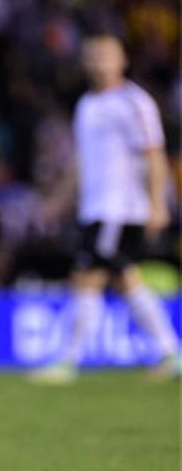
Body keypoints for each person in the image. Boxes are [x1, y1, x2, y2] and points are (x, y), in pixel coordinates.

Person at [30, 34, 179, 384]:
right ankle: (172, 352)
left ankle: (66, 361)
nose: (98, 62)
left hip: (120, 208)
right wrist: (57, 202)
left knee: (86, 277)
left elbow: (154, 153)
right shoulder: (87, 105)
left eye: (106, 56)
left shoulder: (134, 102)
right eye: (92, 56)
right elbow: (83, 163)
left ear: (122, 60)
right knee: (126, 280)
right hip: (95, 209)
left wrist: (158, 204)